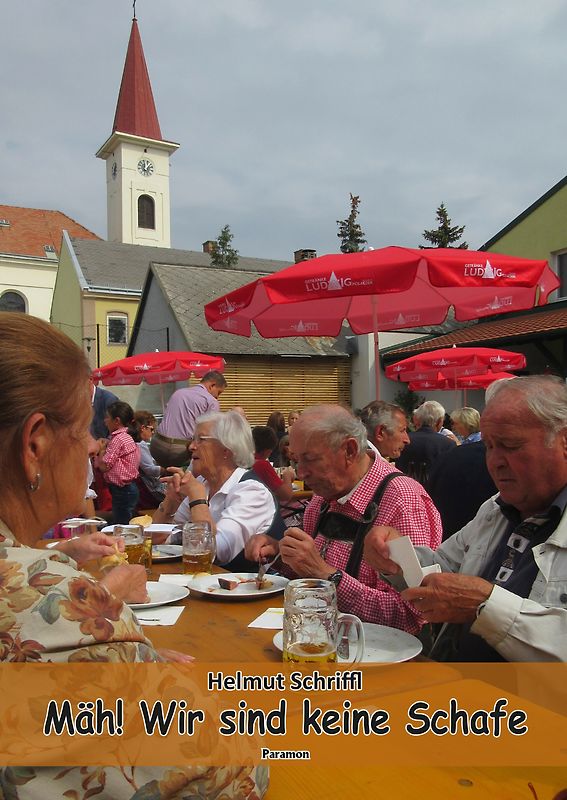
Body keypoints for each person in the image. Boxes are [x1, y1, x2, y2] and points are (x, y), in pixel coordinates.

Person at [0, 313, 267, 797]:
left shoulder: (248, 489)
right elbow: (226, 767)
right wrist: (123, 652)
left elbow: (209, 544)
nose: (96, 451)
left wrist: (116, 656)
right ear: (35, 444)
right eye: (85, 432)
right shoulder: (57, 601)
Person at [363, 375, 567, 662]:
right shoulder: (496, 508)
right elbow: (444, 567)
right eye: (489, 446)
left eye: (510, 445)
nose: (494, 461)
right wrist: (397, 555)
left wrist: (485, 604)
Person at [245, 404, 442, 633]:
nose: (300, 473)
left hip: (377, 659)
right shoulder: (322, 499)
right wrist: (281, 552)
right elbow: (308, 572)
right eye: (297, 460)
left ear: (349, 450)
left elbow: (413, 616)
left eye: (310, 460)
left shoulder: (403, 501)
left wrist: (326, 575)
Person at [153, 411, 279, 566]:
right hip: (202, 582)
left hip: (241, 586)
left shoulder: (252, 491)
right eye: (193, 439)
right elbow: (154, 540)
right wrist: (171, 501)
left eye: (201, 440)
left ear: (226, 449)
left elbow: (214, 552)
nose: (191, 446)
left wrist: (197, 499)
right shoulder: (202, 484)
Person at [150, 371, 227, 468]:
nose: (217, 397)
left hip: (157, 445)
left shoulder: (179, 393)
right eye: (219, 392)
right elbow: (210, 431)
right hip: (181, 450)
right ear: (212, 385)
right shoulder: (211, 401)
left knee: (165, 476)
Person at [95, 401, 140, 523]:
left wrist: (102, 449)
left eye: (107, 417)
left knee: (122, 524)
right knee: (126, 521)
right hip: (128, 488)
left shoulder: (118, 439)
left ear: (117, 421)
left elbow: (104, 466)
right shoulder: (125, 436)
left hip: (122, 490)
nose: (105, 421)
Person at [395, 400, 456, 483]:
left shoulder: (404, 439)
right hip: (434, 492)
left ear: (417, 420)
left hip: (404, 488)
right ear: (439, 422)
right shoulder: (448, 444)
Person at [131, 410, 166, 508]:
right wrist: (166, 469)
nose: (153, 432)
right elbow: (150, 470)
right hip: (150, 490)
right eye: (151, 429)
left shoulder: (134, 443)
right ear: (143, 428)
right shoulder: (139, 445)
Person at [252, 425, 295, 503]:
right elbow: (286, 495)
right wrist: (287, 475)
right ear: (268, 451)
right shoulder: (262, 465)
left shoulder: (242, 461)